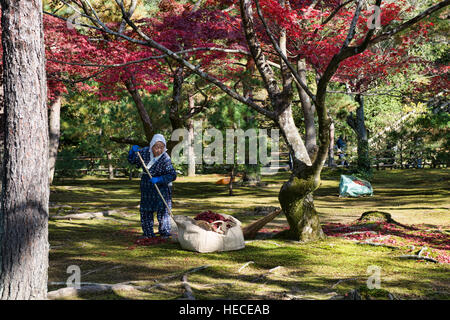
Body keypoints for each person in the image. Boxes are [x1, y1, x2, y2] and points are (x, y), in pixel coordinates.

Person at [128, 134, 177, 239]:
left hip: (161, 187)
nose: (158, 150)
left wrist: (159, 179)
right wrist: (132, 152)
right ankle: (148, 233)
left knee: (162, 210)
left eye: (161, 147)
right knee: (146, 210)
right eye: (156, 147)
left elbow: (172, 175)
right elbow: (133, 161)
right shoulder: (144, 152)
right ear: (151, 146)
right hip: (147, 185)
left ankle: (164, 232)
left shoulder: (165, 158)